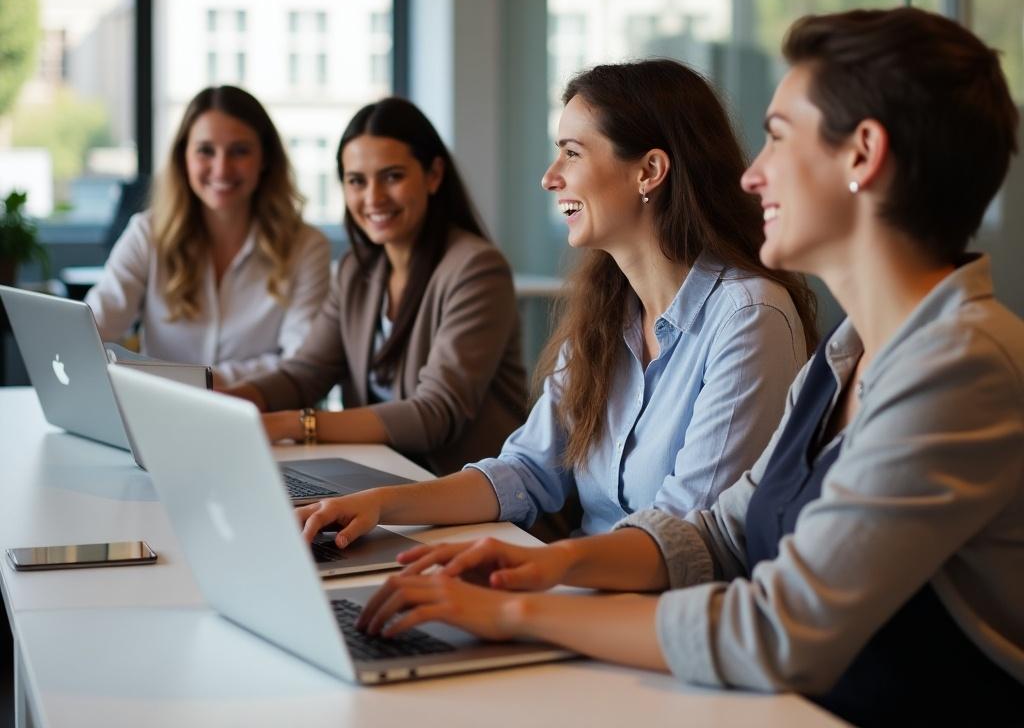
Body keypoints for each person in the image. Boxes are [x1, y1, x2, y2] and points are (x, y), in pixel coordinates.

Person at [359, 7, 1024, 725]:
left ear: (862, 155)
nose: (753, 174)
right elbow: (718, 532)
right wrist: (550, 567)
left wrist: (518, 612)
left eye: (776, 138)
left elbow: (776, 630)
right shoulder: (847, 358)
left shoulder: (960, 366)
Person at [297, 60, 817, 543]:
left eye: (572, 152)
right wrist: (378, 505)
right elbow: (527, 470)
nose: (550, 177)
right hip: (580, 586)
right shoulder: (609, 312)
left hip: (657, 615)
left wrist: (523, 572)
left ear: (649, 171)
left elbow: (680, 538)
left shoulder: (748, 317)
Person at [225, 97, 527, 475]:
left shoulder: (476, 269)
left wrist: (293, 425)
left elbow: (434, 414)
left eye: (392, 176)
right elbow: (305, 373)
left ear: (433, 175)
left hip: (469, 497)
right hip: (381, 480)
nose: (373, 198)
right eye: (356, 181)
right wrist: (226, 404)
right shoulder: (357, 271)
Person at [86, 85, 330, 386]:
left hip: (262, 418)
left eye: (240, 151)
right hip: (159, 414)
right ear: (183, 157)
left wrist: (192, 380)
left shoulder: (307, 247)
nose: (221, 168)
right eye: (205, 151)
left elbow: (300, 363)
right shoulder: (148, 233)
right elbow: (93, 328)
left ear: (265, 159)